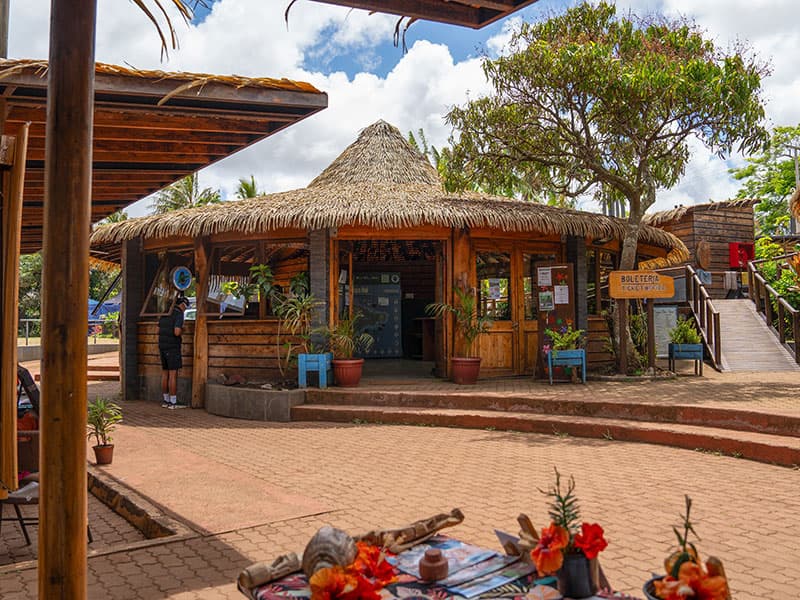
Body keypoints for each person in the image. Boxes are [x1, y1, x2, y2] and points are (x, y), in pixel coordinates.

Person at [159, 294, 189, 409]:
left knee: (165, 373)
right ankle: (173, 402)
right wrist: (183, 330)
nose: (185, 309)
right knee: (173, 374)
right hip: (172, 347)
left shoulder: (165, 313)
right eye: (185, 307)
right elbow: (177, 332)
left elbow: (158, 328)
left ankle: (166, 400)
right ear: (182, 305)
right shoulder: (178, 314)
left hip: (162, 346)